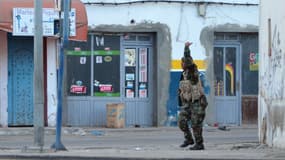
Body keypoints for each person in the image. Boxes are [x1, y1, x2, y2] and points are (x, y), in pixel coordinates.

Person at [178, 41, 208, 150]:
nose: (182, 64)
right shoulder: (184, 75)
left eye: (184, 63)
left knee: (196, 124)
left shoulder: (192, 71)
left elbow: (188, 60)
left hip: (198, 102)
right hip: (188, 103)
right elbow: (182, 91)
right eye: (182, 63)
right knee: (181, 121)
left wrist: (186, 48)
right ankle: (189, 139)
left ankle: (199, 144)